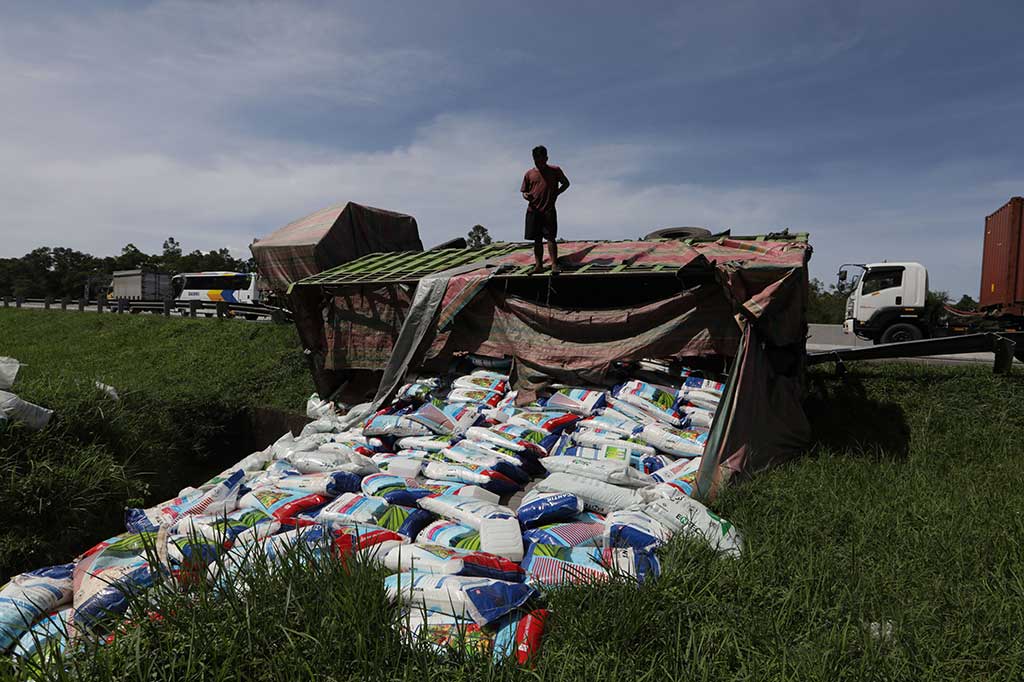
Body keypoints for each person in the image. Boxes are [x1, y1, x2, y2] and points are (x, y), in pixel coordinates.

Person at [521, 145, 570, 274]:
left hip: (548, 209)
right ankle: (539, 266)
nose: (539, 162)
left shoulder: (555, 170)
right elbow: (524, 192)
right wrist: (526, 196)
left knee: (550, 238)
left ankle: (554, 264)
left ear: (546, 158)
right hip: (533, 210)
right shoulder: (529, 174)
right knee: (537, 239)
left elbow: (566, 183)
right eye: (536, 160)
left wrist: (557, 193)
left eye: (541, 160)